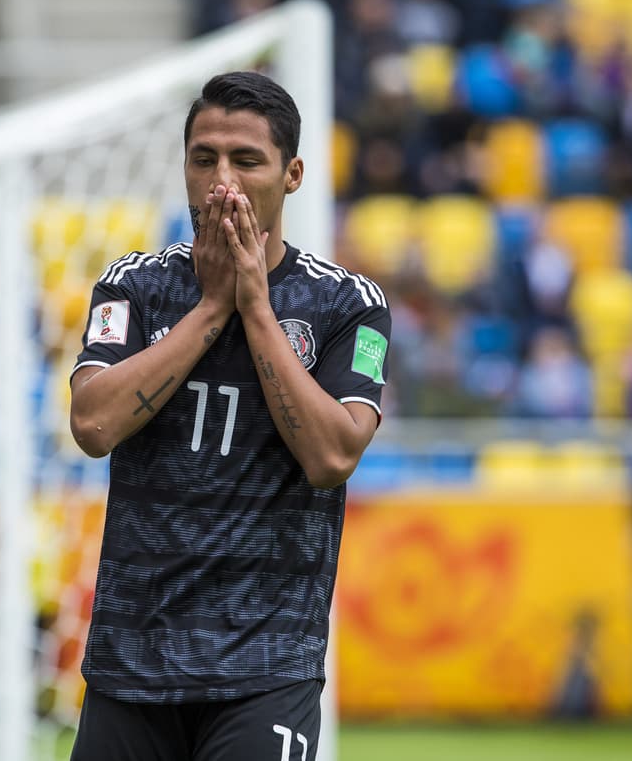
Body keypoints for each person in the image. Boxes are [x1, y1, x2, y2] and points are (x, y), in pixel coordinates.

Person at [67, 72, 392, 760]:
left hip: (265, 668)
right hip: (132, 664)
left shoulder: (348, 305)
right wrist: (212, 307)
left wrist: (253, 305)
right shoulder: (136, 284)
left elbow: (332, 458)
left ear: (293, 173)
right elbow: (92, 426)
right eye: (204, 158)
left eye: (246, 160)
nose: (223, 181)